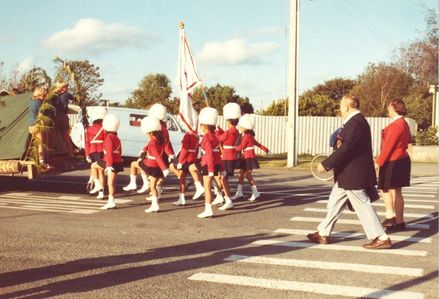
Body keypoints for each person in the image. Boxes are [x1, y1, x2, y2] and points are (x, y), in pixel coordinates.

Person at [308, 95, 392, 250]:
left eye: (341, 105)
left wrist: (327, 164)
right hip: (347, 174)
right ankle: (323, 232)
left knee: (362, 205)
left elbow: (347, 148)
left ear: (347, 106)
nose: (339, 108)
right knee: (334, 202)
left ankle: (381, 237)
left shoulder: (356, 122)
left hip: (353, 173)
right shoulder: (355, 122)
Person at [375, 99, 412, 232]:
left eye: (389, 107)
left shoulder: (397, 124)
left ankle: (393, 218)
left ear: (396, 108)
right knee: (391, 190)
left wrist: (378, 162)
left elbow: (388, 146)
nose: (388, 110)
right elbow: (407, 141)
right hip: (398, 160)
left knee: (389, 190)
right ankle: (397, 220)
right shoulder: (403, 123)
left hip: (394, 160)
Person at [90, 114, 124, 209]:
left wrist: (108, 165)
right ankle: (111, 201)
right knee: (111, 183)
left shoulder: (108, 138)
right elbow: (120, 151)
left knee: (93, 165)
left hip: (110, 163)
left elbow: (109, 152)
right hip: (117, 162)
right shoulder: (117, 138)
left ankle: (98, 185)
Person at [212, 102, 241, 210]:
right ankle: (222, 197)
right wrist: (220, 130)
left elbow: (219, 139)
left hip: (227, 156)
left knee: (223, 178)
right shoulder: (235, 131)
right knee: (222, 177)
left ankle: (228, 200)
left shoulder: (229, 132)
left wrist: (216, 131)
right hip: (231, 156)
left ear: (229, 120)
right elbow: (226, 137)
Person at [197, 107, 224, 218]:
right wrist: (221, 168)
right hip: (215, 163)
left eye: (202, 125)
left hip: (208, 165)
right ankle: (218, 199)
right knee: (210, 186)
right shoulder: (215, 137)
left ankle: (208, 209)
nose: (200, 127)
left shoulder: (207, 138)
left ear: (205, 125)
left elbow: (210, 154)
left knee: (207, 188)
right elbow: (217, 153)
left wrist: (211, 170)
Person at [234, 113, 269, 201]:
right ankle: (239, 192)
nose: (240, 128)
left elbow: (241, 147)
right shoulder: (249, 136)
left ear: (246, 127)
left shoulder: (246, 136)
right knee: (241, 174)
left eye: (241, 127)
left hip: (248, 157)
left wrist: (231, 149)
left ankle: (255, 192)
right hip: (245, 157)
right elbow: (258, 144)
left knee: (248, 175)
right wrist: (266, 150)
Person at [139, 116, 169, 213]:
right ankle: (154, 204)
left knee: (138, 163)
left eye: (147, 133)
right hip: (157, 166)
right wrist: (143, 150)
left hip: (153, 165)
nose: (147, 134)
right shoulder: (159, 140)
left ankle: (154, 204)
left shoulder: (153, 142)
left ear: (151, 132)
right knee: (153, 186)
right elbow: (148, 147)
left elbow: (156, 155)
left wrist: (164, 168)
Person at [170, 129, 204, 206]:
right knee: (190, 174)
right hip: (192, 157)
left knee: (182, 178)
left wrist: (180, 162)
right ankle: (198, 187)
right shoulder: (196, 136)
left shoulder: (187, 135)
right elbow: (196, 149)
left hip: (185, 159)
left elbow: (184, 150)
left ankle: (182, 199)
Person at [148, 103, 174, 198]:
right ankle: (157, 192)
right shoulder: (160, 126)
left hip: (161, 152)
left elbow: (165, 142)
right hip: (162, 152)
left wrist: (169, 153)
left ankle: (156, 192)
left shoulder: (161, 128)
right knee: (158, 175)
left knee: (158, 174)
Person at [85, 106, 107, 198]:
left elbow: (87, 143)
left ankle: (96, 184)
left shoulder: (88, 129)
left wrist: (87, 155)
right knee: (101, 172)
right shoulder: (104, 128)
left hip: (92, 151)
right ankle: (101, 191)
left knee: (95, 169)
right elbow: (106, 141)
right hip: (101, 150)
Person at [53, 81, 74, 166]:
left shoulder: (62, 94)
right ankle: (70, 154)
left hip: (59, 116)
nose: (67, 88)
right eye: (65, 87)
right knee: (60, 136)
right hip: (59, 116)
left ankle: (71, 154)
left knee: (63, 136)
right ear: (61, 88)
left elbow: (71, 97)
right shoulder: (62, 95)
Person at [28, 86, 49, 167]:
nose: (44, 98)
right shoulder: (39, 103)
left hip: (30, 125)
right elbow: (41, 115)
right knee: (41, 142)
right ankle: (42, 161)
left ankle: (34, 158)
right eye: (44, 96)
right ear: (40, 95)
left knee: (34, 143)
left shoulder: (31, 102)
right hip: (37, 124)